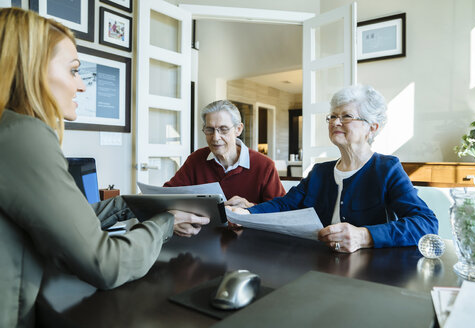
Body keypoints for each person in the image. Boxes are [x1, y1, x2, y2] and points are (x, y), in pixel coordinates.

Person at [0, 8, 208, 327]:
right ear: (30, 69)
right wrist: (165, 222)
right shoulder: (23, 135)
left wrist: (132, 205)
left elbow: (63, 223)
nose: (81, 86)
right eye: (73, 70)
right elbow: (105, 264)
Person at [229, 84, 438, 253]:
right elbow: (286, 205)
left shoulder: (386, 168)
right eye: (332, 116)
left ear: (372, 127)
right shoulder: (320, 172)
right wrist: (246, 213)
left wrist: (364, 236)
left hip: (370, 273)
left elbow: (426, 224)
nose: (335, 122)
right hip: (320, 265)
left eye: (346, 116)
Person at [164, 100, 285, 208]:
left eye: (223, 129)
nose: (215, 138)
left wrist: (251, 207)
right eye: (209, 130)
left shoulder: (264, 165)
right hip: (204, 231)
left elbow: (281, 210)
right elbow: (167, 195)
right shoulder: (196, 159)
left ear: (238, 129)